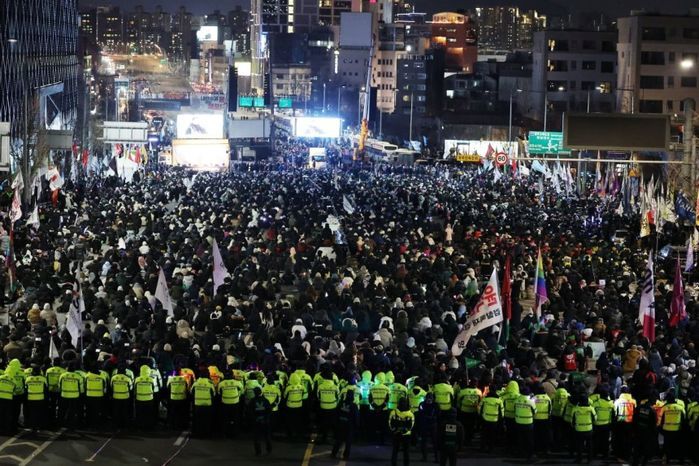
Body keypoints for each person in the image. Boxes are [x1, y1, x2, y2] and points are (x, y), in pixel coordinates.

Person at [333, 381, 359, 460]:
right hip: (349, 426)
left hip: (341, 424)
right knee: (348, 442)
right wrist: (357, 427)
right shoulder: (354, 406)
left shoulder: (341, 403)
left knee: (339, 440)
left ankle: (334, 453)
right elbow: (356, 417)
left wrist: (336, 423)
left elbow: (336, 414)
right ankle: (346, 456)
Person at [632, 394, 658, 466]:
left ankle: (635, 463)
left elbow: (634, 420)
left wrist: (633, 430)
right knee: (646, 450)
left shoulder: (639, 408)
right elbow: (653, 423)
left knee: (637, 449)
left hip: (638, 431)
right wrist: (654, 433)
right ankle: (644, 463)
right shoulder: (652, 411)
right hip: (647, 433)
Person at [659, 393, 685, 463]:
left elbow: (660, 419)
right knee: (678, 445)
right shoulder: (680, 407)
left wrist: (660, 428)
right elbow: (684, 419)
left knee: (667, 446)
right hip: (677, 429)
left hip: (667, 430)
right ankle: (680, 460)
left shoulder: (664, 408)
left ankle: (667, 460)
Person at [389, 398, 414, 466]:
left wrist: (395, 430)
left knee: (395, 451)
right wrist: (405, 430)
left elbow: (390, 423)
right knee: (406, 452)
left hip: (396, 433)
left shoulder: (393, 412)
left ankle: (394, 464)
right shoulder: (410, 413)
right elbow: (411, 425)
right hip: (406, 435)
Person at [316, 368, 339, 443]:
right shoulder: (335, 387)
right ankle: (334, 436)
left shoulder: (320, 386)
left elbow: (318, 396)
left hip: (323, 406)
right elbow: (338, 397)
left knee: (324, 422)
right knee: (333, 422)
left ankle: (324, 437)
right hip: (333, 407)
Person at [456, 379, 481, 446]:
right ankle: (469, 440)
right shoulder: (479, 392)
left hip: (464, 411)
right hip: (473, 411)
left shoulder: (463, 391)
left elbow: (458, 402)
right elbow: (480, 402)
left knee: (465, 427)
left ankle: (465, 440)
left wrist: (459, 408)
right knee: (471, 427)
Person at [571, 397, 596, 464]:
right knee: (589, 445)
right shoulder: (591, 409)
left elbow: (572, 420)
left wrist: (574, 426)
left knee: (579, 445)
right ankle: (589, 459)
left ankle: (579, 459)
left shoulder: (575, 409)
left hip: (578, 429)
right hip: (589, 429)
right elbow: (595, 418)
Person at [58, 363, 84, 429]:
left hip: (64, 395)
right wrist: (81, 393)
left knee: (63, 410)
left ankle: (61, 423)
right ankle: (70, 424)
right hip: (74, 396)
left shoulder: (62, 375)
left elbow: (59, 386)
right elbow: (81, 388)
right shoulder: (78, 376)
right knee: (72, 411)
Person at [513, 386, 536, 460]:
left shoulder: (516, 400)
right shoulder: (531, 402)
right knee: (529, 439)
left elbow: (514, 409)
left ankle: (520, 453)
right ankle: (530, 454)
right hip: (528, 423)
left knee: (520, 439)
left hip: (518, 422)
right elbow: (535, 412)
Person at [613, 387, 636, 459]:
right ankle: (628, 455)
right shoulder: (633, 401)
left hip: (620, 423)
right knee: (629, 440)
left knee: (620, 439)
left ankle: (619, 454)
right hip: (630, 423)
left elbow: (614, 413)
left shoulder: (617, 401)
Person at [591, 387, 614, 458]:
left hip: (596, 424)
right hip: (606, 425)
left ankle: (595, 453)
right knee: (605, 440)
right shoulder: (610, 404)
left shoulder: (596, 403)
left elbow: (592, 414)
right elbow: (613, 415)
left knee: (596, 440)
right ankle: (605, 454)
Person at [249, 386, 272, 456]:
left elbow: (250, 412)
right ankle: (269, 449)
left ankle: (258, 452)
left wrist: (255, 418)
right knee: (267, 436)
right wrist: (266, 418)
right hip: (265, 421)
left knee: (257, 437)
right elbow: (269, 410)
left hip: (256, 421)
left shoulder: (252, 401)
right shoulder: (265, 400)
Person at [191, 372, 215, 438]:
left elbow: (191, 392)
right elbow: (214, 394)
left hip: (197, 405)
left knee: (198, 421)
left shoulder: (195, 383)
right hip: (207, 405)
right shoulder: (210, 384)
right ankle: (206, 434)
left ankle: (198, 434)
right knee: (207, 421)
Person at [480, 388, 504, 453]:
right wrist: (500, 420)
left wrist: (480, 417)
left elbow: (480, 409)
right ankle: (491, 448)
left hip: (485, 419)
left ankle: (483, 447)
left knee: (484, 435)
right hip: (494, 420)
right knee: (492, 435)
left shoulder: (484, 399)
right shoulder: (499, 401)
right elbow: (501, 412)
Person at [24, 366, 47, 433]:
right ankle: (39, 426)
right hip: (40, 398)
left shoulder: (28, 379)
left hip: (30, 398)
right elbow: (46, 390)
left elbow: (26, 390)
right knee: (40, 413)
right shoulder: (43, 379)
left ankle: (33, 427)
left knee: (32, 413)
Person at [369, 373, 390, 444]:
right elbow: (387, 399)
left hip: (373, 409)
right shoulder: (387, 388)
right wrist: (381, 407)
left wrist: (375, 407)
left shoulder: (372, 387)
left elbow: (370, 399)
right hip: (383, 410)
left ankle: (372, 440)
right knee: (383, 426)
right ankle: (382, 440)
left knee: (373, 425)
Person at [283, 372, 305, 440]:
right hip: (299, 405)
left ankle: (290, 434)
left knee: (290, 420)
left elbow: (284, 396)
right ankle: (299, 434)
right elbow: (304, 395)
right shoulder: (302, 387)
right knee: (298, 420)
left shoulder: (288, 388)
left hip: (290, 406)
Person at [134, 364, 157, 430]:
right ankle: (148, 427)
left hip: (139, 399)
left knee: (140, 414)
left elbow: (134, 388)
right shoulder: (151, 379)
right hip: (149, 399)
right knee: (148, 414)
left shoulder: (137, 379)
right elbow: (153, 389)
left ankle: (140, 427)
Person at [532, 384, 552, 455]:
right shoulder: (547, 398)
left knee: (536, 435)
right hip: (545, 419)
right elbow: (550, 410)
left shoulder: (534, 398)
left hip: (536, 419)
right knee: (545, 435)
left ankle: (537, 449)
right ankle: (546, 449)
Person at [0, 368, 16, 434]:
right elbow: (14, 390)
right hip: (9, 399)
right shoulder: (14, 380)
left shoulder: (0, 377)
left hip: (0, 397)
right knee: (7, 415)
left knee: (0, 414)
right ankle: (7, 430)